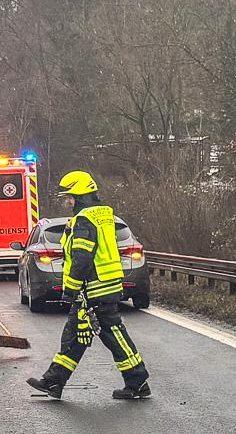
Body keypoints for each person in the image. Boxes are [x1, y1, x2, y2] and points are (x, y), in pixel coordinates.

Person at [25, 171, 152, 400]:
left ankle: (138, 381)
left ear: (80, 195)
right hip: (103, 284)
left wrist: (70, 289)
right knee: (76, 334)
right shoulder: (104, 216)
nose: (68, 202)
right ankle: (54, 382)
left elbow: (82, 258)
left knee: (112, 335)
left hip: (95, 288)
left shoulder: (84, 220)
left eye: (71, 197)